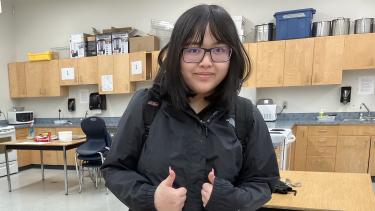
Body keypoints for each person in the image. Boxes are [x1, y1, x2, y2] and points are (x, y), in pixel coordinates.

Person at [101, 4, 279, 211]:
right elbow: (115, 169)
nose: (206, 62)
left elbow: (263, 181)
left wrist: (232, 199)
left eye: (219, 50)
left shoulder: (245, 114)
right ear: (177, 54)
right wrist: (151, 198)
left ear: (232, 57)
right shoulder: (147, 106)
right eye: (193, 50)